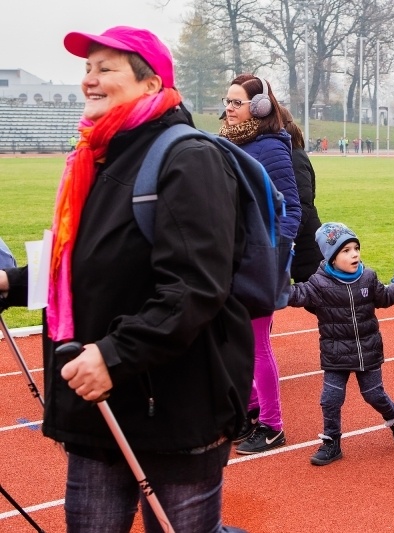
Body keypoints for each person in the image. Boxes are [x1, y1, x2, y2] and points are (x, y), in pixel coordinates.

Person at [0, 26, 252, 532]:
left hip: (175, 411)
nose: (89, 80)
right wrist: (11, 285)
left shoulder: (190, 158)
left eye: (105, 68)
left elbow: (195, 287)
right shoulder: (96, 157)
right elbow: (86, 267)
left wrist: (113, 355)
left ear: (151, 83)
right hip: (100, 414)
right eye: (87, 69)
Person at [219, 73, 301, 455]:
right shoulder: (225, 143)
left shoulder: (270, 148)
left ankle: (272, 425)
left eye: (237, 102)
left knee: (256, 342)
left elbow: (292, 209)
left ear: (260, 106)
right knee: (236, 342)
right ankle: (251, 411)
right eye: (228, 101)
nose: (229, 108)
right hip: (229, 258)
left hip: (258, 261)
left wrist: (271, 256)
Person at [288, 222, 394, 466]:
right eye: (345, 250)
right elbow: (296, 295)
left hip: (368, 350)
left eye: (356, 248)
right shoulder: (318, 284)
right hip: (336, 354)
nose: (354, 254)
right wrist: (272, 287)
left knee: (373, 395)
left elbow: (385, 297)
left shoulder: (368, 277)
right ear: (331, 257)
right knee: (330, 399)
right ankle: (331, 442)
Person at [279, 105, 324, 282]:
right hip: (298, 241)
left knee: (325, 300)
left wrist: (288, 236)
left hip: (305, 243)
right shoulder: (287, 153)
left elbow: (303, 201)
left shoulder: (294, 155)